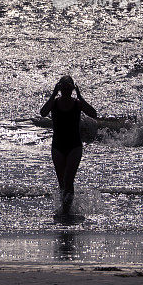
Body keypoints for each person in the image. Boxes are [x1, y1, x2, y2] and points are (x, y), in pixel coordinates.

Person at [39, 75, 97, 215]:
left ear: (72, 89)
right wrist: (53, 95)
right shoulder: (54, 103)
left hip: (74, 146)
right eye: (63, 87)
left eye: (68, 87)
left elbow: (93, 114)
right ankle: (66, 210)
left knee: (69, 179)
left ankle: (66, 210)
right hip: (58, 145)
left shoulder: (77, 103)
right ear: (59, 88)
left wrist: (80, 97)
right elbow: (43, 113)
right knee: (61, 182)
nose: (66, 90)